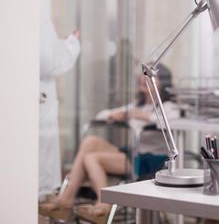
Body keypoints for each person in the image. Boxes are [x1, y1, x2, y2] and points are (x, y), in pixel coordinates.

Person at [39, 64, 177, 222]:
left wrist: (138, 115)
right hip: (132, 151)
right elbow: (103, 114)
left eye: (150, 75)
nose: (143, 78)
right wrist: (117, 114)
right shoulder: (137, 105)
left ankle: (103, 205)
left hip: (151, 159)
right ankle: (66, 199)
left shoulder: (169, 107)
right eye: (143, 75)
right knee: (91, 141)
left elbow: (169, 122)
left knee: (91, 158)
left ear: (162, 81)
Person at [39, 0, 81, 197]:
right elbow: (49, 63)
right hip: (40, 101)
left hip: (39, 101)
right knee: (38, 183)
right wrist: (72, 45)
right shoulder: (37, 18)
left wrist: (60, 45)